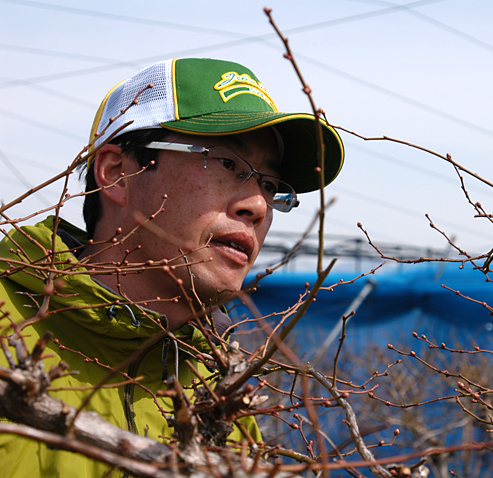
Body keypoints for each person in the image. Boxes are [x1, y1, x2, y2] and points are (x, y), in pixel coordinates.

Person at [0, 57, 344, 476]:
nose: (257, 205)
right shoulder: (9, 328)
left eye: (270, 186)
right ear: (116, 174)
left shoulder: (219, 399)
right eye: (226, 164)